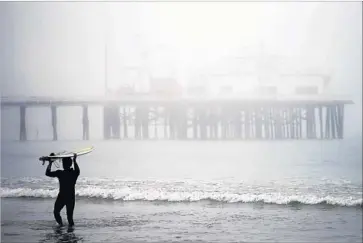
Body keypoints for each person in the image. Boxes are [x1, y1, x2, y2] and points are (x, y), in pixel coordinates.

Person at [43, 153, 80, 227]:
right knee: (69, 218)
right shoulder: (74, 173)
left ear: (66, 164)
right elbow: (78, 170)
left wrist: (50, 163)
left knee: (56, 212)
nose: (63, 164)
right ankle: (70, 233)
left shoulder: (60, 173)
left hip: (62, 197)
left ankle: (60, 225)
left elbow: (47, 173)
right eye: (63, 163)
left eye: (64, 163)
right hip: (70, 197)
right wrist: (74, 161)